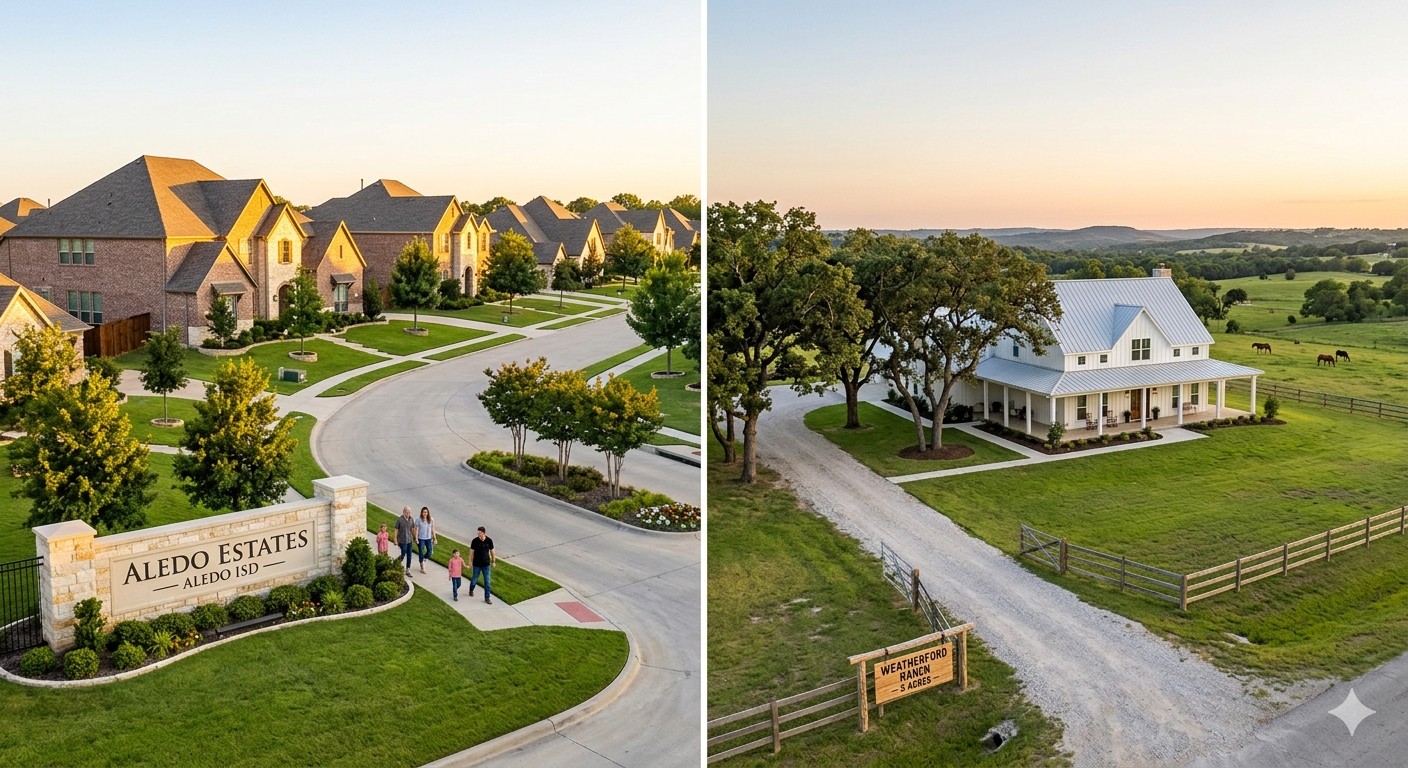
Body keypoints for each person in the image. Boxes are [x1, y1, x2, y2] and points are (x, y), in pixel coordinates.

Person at [468, 526, 496, 604]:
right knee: (474, 579)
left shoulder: (489, 541)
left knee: (487, 581)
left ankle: (487, 598)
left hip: (486, 564)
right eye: (478, 533)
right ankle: (471, 589)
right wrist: (470, 562)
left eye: (480, 533)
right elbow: (471, 553)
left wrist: (493, 561)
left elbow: (492, 552)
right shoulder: (475, 541)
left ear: (484, 533)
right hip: (476, 564)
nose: (478, 534)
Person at [394, 507, 417, 576]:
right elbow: (396, 529)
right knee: (403, 553)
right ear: (403, 512)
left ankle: (408, 569)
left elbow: (412, 529)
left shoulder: (411, 519)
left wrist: (415, 537)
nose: (407, 513)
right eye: (406, 512)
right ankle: (396, 563)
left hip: (409, 540)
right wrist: (395, 539)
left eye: (409, 512)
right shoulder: (400, 519)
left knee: (409, 555)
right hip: (402, 540)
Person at [416, 507, 437, 574]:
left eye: (426, 512)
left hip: (428, 538)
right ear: (422, 513)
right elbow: (417, 529)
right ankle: (422, 566)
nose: (425, 513)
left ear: (428, 513)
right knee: (421, 551)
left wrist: (434, 538)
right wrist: (416, 538)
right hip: (421, 538)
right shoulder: (418, 520)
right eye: (424, 512)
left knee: (430, 551)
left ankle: (424, 559)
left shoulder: (431, 520)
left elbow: (433, 529)